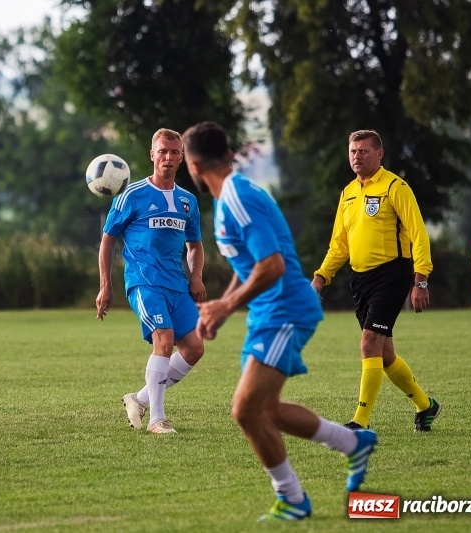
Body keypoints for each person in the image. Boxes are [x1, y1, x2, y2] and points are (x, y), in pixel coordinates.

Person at [182, 121, 377, 521]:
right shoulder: (229, 197)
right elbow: (252, 261)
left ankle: (292, 498)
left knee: (245, 410)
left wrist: (226, 305)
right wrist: (226, 303)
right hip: (270, 311)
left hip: (284, 308)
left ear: (195, 164)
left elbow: (271, 266)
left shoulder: (237, 197)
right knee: (264, 409)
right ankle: (352, 444)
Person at [310, 129, 441, 432]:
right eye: (353, 151)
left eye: (364, 151)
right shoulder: (348, 193)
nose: (357, 156)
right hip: (361, 279)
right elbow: (339, 244)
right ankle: (426, 405)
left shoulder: (396, 187)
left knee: (369, 343)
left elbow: (419, 234)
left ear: (379, 154)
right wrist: (320, 277)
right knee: (384, 354)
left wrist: (420, 280)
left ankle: (360, 421)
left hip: (393, 274)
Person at [96, 128, 206, 435]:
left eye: (174, 152)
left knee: (195, 348)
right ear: (152, 155)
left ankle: (139, 399)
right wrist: (106, 285)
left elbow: (195, 245)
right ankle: (158, 419)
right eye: (162, 152)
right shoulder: (132, 195)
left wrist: (196, 276)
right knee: (165, 339)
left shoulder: (187, 201)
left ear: (181, 157)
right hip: (144, 282)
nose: (168, 158)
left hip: (177, 285)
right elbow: (108, 241)